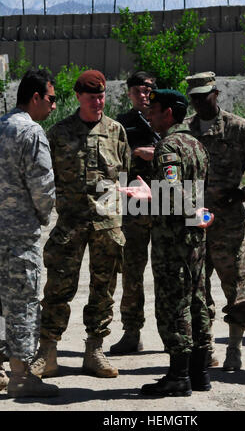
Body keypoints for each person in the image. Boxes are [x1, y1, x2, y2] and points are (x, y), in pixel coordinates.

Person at [30, 70, 131, 379]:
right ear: (78, 97)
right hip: (70, 224)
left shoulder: (116, 131)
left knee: (104, 289)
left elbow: (124, 176)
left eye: (101, 96)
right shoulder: (59, 133)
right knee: (58, 288)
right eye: (91, 97)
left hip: (107, 226)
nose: (98, 102)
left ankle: (94, 350)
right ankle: (47, 352)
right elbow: (46, 179)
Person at [183, 71, 245, 371]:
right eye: (195, 98)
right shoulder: (185, 131)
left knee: (238, 291)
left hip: (229, 224)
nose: (201, 102)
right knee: (196, 290)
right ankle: (205, 348)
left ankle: (235, 348)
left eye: (205, 96)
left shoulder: (237, 128)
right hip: (197, 222)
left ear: (216, 94)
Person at [120, 89, 214, 397]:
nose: (150, 113)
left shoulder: (168, 147)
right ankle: (199, 373)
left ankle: (177, 377)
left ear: (169, 113)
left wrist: (149, 196)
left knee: (175, 304)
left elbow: (173, 194)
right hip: (195, 236)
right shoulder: (196, 144)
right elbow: (198, 191)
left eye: (156, 108)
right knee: (198, 299)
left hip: (174, 239)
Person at [0, 69, 58, 398]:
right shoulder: (31, 132)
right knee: (22, 304)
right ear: (34, 97)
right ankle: (21, 376)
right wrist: (41, 216)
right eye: (50, 99)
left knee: (0, 305)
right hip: (19, 237)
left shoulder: (1, 125)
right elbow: (43, 187)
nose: (53, 106)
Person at [110, 71, 158, 355]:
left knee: (171, 270)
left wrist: (157, 150)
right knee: (132, 271)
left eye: (148, 90)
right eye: (138, 91)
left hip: (168, 201)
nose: (143, 95)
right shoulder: (121, 124)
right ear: (128, 93)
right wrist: (134, 153)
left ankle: (177, 333)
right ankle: (131, 332)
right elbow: (110, 162)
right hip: (133, 203)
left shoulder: (168, 117)